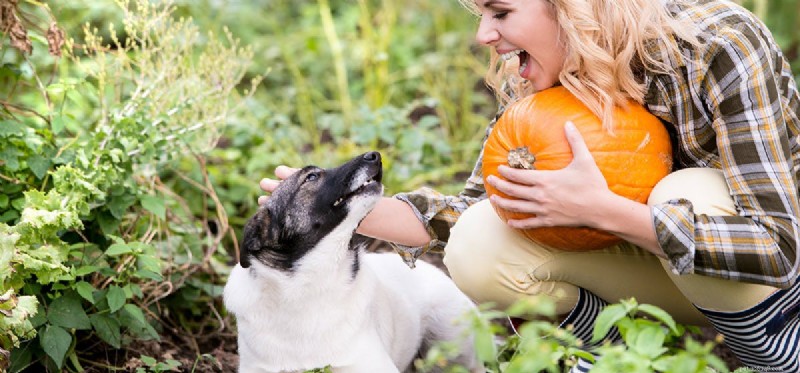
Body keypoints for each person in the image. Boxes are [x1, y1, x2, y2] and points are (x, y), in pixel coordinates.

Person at [260, 0, 800, 371]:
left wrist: (607, 211)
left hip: (770, 280)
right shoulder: (539, 74)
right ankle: (617, 353)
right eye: (480, 14)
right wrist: (354, 213)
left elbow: (778, 246)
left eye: (500, 11)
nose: (483, 34)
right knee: (479, 241)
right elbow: (472, 209)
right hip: (663, 273)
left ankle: (772, 355)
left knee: (680, 194)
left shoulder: (717, 43)